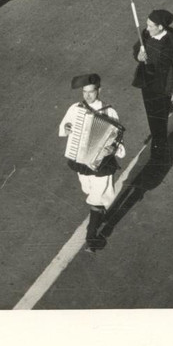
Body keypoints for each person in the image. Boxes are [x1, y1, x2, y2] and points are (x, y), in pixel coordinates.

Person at [58, 73, 126, 253]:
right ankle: (98, 213)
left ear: (99, 90)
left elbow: (118, 138)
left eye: (91, 92)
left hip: (103, 164)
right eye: (85, 92)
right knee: (88, 191)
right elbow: (64, 126)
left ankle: (91, 238)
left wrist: (113, 149)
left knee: (96, 198)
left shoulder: (109, 111)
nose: (88, 96)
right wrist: (67, 128)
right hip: (81, 161)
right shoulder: (75, 109)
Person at [133, 8, 173, 162]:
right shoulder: (146, 34)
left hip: (163, 87)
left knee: (160, 121)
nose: (147, 29)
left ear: (161, 27)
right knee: (152, 118)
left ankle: (159, 153)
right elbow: (137, 48)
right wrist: (138, 56)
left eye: (150, 26)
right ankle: (158, 146)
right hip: (147, 84)